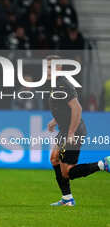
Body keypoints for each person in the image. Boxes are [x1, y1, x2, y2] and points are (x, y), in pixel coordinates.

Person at [46, 55, 110, 206]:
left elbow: (77, 108)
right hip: (64, 129)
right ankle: (67, 199)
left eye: (50, 67)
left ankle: (102, 164)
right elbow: (64, 108)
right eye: (46, 67)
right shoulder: (56, 84)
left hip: (73, 131)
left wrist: (70, 133)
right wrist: (55, 121)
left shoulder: (63, 84)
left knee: (67, 172)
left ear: (59, 68)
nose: (47, 70)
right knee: (54, 158)